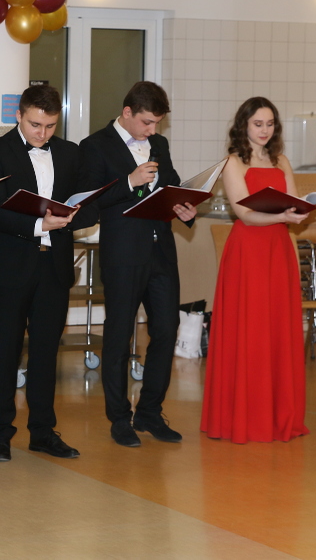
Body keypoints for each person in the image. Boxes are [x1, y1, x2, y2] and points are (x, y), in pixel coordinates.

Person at [0, 85, 97, 462]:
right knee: (6, 349)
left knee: (46, 351)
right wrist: (40, 224)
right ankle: (0, 433)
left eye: (50, 126)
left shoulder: (70, 153)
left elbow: (90, 205)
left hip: (54, 266)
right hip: (12, 264)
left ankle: (43, 431)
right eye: (35, 125)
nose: (42, 133)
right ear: (19, 115)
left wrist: (74, 214)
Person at [80, 81, 197, 447]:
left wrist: (185, 209)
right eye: (147, 122)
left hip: (161, 251)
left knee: (166, 330)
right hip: (123, 254)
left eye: (157, 123)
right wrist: (129, 182)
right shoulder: (95, 146)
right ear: (127, 112)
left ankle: (149, 411)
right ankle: (119, 417)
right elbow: (89, 204)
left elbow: (171, 185)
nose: (152, 130)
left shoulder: (159, 144)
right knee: (118, 335)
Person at [201, 97, 310, 443]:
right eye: (258, 124)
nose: (264, 130)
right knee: (249, 329)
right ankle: (244, 417)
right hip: (248, 249)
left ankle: (278, 415)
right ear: (243, 125)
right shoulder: (233, 162)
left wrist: (298, 213)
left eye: (270, 124)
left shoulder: (282, 160)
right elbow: (245, 214)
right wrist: (282, 216)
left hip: (278, 249)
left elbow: (294, 202)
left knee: (276, 328)